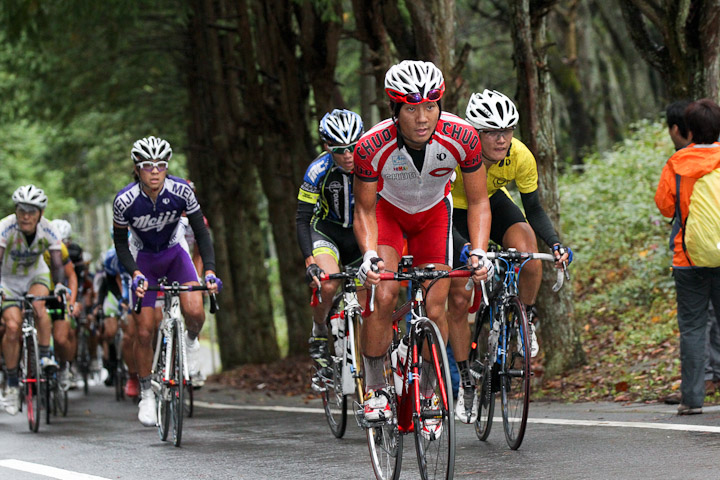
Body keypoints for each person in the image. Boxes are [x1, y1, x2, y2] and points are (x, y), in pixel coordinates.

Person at [353, 60, 493, 426]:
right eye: (411, 108)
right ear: (394, 110)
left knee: (436, 307)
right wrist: (369, 254)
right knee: (384, 295)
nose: (422, 118)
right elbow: (365, 210)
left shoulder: (462, 137)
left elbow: (479, 201)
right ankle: (375, 388)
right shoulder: (371, 145)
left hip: (434, 217)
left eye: (430, 106)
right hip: (389, 215)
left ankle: (430, 391)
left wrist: (478, 249)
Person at [449, 89, 573, 423]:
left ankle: (523, 320)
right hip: (452, 212)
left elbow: (533, 208)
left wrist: (555, 243)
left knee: (528, 252)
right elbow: (438, 209)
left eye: (508, 130)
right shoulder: (455, 153)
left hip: (491, 202)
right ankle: (465, 382)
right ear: (475, 132)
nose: (502, 138)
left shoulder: (520, 155)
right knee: (459, 299)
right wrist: (467, 250)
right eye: (492, 131)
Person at [113, 136, 221, 427]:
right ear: (137, 169)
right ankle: (147, 393)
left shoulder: (182, 191)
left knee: (196, 311)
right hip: (143, 259)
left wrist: (208, 270)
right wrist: (134, 272)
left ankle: (189, 341)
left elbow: (201, 233)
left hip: (175, 255)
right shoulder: (124, 201)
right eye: (148, 166)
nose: (155, 171)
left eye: (161, 165)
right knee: (145, 331)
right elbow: (121, 245)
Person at [655, 98, 720, 415]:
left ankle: (693, 400)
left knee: (693, 328)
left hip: (688, 257)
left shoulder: (677, 163)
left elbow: (666, 207)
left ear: (689, 129)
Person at [296, 109, 365, 378]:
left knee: (370, 301)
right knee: (327, 283)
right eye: (339, 149)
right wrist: (309, 262)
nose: (348, 155)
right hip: (328, 232)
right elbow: (302, 218)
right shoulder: (317, 170)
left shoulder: (375, 162)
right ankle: (319, 330)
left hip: (361, 235)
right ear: (327, 147)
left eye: (353, 147)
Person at [0, 185, 68, 415]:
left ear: (40, 213)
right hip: (7, 279)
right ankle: (10, 384)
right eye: (21, 211)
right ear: (16, 211)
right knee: (12, 326)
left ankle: (46, 355)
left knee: (40, 306)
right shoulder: (5, 227)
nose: (26, 216)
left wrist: (59, 285)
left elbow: (57, 263)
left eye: (31, 211)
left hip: (34, 276)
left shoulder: (49, 230)